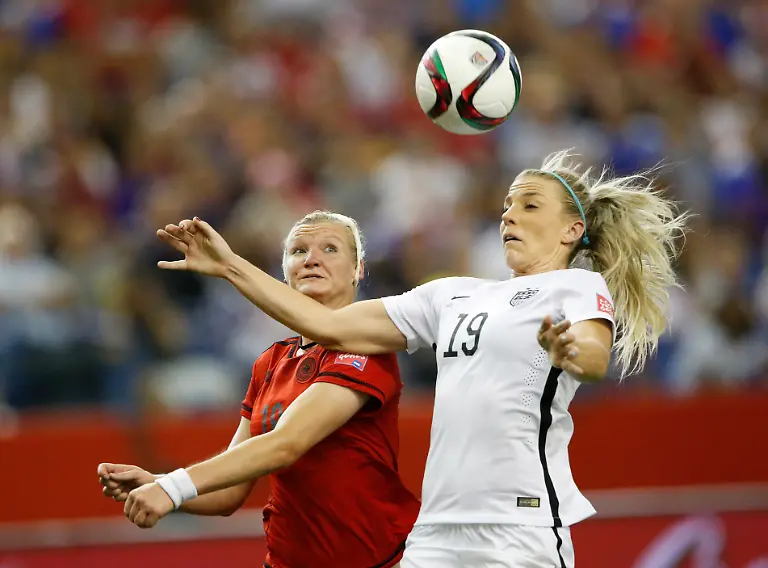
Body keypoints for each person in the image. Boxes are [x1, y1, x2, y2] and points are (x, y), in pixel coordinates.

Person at [149, 150, 688, 568]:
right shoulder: (451, 294)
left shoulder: (575, 285)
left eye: (528, 204)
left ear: (573, 230)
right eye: (506, 205)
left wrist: (571, 351)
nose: (509, 214)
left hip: (519, 526)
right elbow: (327, 325)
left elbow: (594, 356)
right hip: (434, 533)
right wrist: (230, 266)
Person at [98, 211, 419, 568]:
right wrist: (156, 482)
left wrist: (172, 487)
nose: (311, 258)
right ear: (284, 271)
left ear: (358, 270)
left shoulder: (367, 349)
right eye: (298, 251)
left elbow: (287, 444)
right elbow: (230, 494)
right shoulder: (271, 361)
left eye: (330, 248)